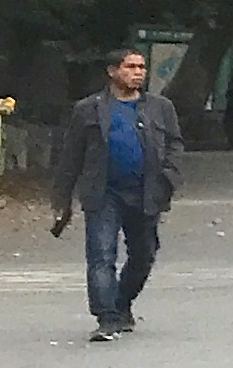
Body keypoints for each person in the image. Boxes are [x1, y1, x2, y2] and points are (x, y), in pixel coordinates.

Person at [50, 47, 183, 343]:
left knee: (144, 255)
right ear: (112, 71)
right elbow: (71, 155)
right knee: (101, 255)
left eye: (141, 67)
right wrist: (61, 199)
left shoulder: (160, 107)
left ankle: (122, 303)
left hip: (146, 191)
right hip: (103, 192)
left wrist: (169, 177)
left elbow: (175, 144)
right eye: (130, 66)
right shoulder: (89, 109)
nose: (138, 73)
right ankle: (107, 318)